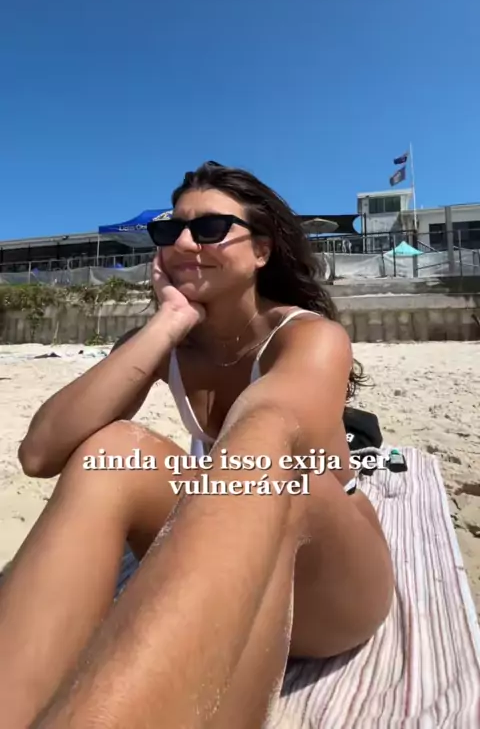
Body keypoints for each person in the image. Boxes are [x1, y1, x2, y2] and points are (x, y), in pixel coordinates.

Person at [0, 162, 394, 728]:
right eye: (170, 230)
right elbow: (39, 453)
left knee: (274, 455)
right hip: (231, 540)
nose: (184, 243)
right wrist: (167, 324)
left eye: (210, 228)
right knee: (114, 450)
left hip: (330, 585)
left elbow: (270, 438)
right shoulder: (170, 338)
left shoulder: (310, 338)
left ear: (261, 251)